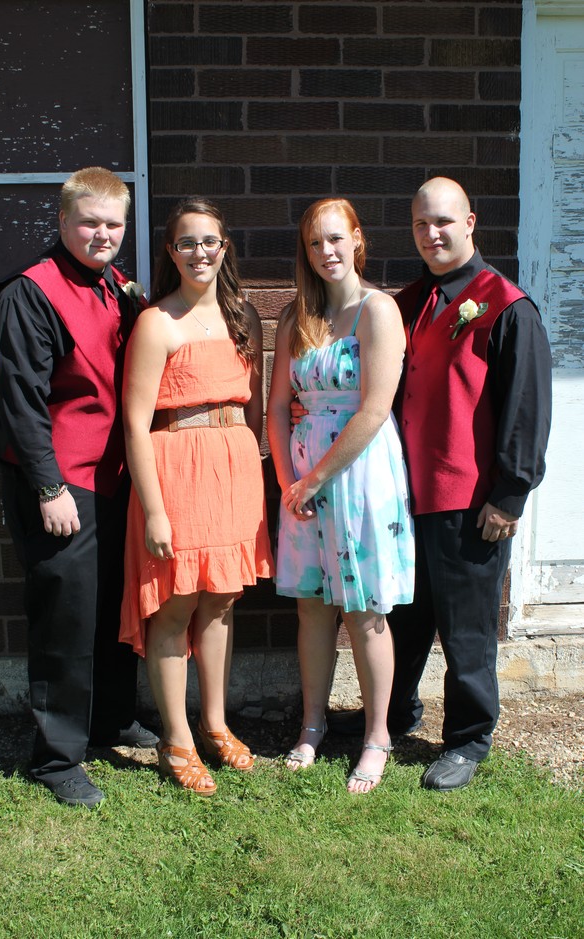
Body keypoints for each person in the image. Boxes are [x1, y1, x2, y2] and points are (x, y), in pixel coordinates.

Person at [330, 177, 552, 791]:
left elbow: (526, 408)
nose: (432, 234)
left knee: (466, 628)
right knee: (403, 616)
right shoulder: (407, 303)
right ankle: (394, 712)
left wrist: (510, 495)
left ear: (471, 222)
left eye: (444, 222)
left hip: (470, 499)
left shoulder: (506, 305)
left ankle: (469, 737)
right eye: (421, 224)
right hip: (404, 493)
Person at [0, 167, 158, 808]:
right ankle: (57, 757)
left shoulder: (116, 287)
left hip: (113, 474)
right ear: (62, 222)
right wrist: (47, 487)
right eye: (89, 223)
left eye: (114, 224)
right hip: (60, 481)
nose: (102, 234)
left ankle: (112, 719)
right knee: (67, 616)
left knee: (111, 605)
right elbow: (22, 400)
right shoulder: (31, 293)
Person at [119, 197, 274, 797]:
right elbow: (136, 425)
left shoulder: (245, 317)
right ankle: (176, 740)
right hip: (176, 472)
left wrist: (250, 470)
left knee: (221, 602)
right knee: (176, 604)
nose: (199, 252)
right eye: (187, 242)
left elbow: (254, 410)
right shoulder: (157, 322)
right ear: (171, 251)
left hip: (232, 471)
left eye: (209, 241)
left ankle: (215, 724)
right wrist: (155, 509)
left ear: (224, 246)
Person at [267, 198, 414, 794]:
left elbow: (375, 408)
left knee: (364, 608)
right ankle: (313, 724)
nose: (325, 251)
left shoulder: (379, 311)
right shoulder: (295, 317)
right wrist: (289, 482)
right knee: (312, 605)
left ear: (357, 239)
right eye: (314, 242)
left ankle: (377, 736)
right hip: (302, 476)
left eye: (334, 238)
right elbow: (278, 407)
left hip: (359, 470)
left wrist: (317, 478)